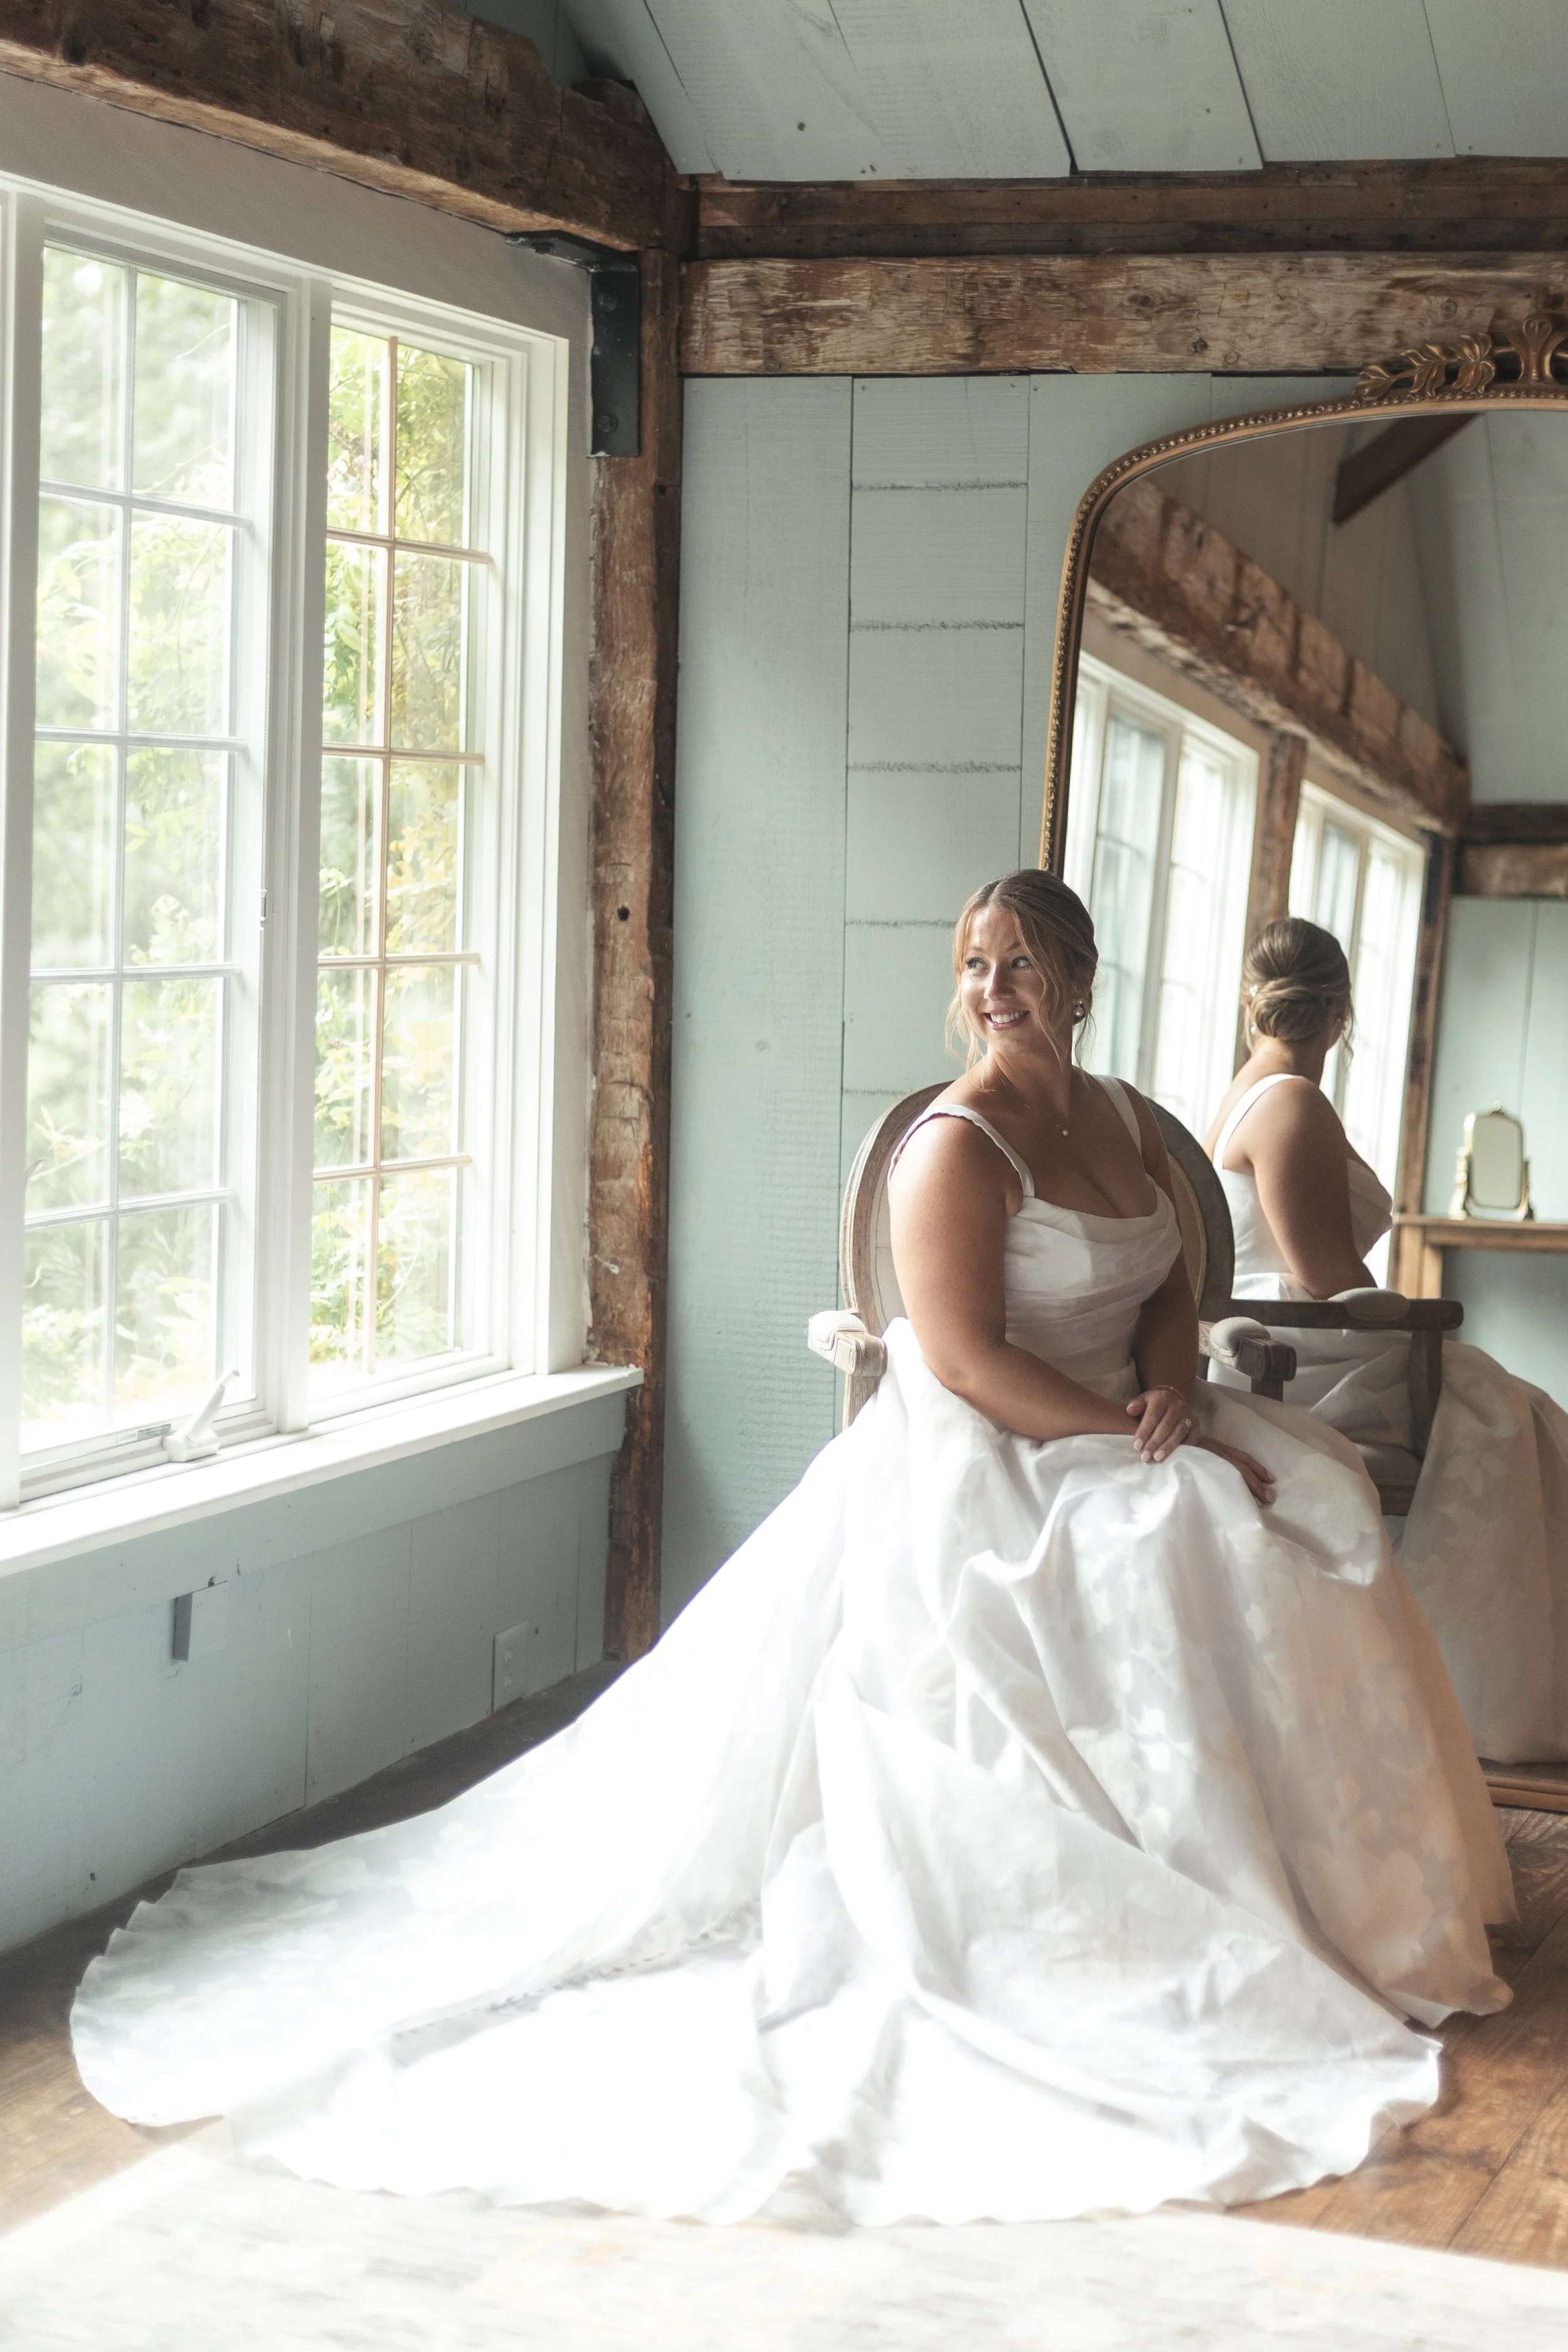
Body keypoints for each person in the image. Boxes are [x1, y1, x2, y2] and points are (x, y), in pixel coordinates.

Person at [72, 873, 1511, 2229]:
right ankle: (1165, 1909)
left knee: (1307, 1503)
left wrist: (1176, 1391)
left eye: (1018, 961)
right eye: (971, 963)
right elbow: (954, 1359)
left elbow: (1163, 1284)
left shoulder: (1130, 1121)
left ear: (1076, 979)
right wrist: (1124, 1441)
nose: (990, 984)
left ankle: (1326, 1900)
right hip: (996, 1440)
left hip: (1123, 1412)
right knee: (1181, 1530)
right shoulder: (955, 1148)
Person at [1207, 914, 1568, 1765]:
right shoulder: (1291, 1100)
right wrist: (1415, 1321)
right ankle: (1486, 1695)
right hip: (1304, 1348)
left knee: (1517, 1409)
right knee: (1522, 1418)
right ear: (1340, 1011)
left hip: (1284, 1330)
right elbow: (1327, 1274)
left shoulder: (1247, 1087)